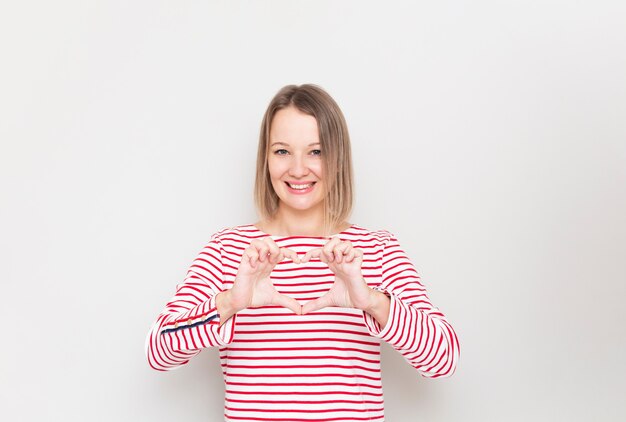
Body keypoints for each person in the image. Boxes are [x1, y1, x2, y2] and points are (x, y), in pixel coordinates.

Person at [145, 84, 459, 421]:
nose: (297, 169)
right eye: (282, 151)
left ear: (338, 158)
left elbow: (443, 358)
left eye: (316, 151)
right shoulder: (228, 250)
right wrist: (230, 302)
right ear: (265, 159)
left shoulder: (376, 250)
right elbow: (159, 350)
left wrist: (371, 301)